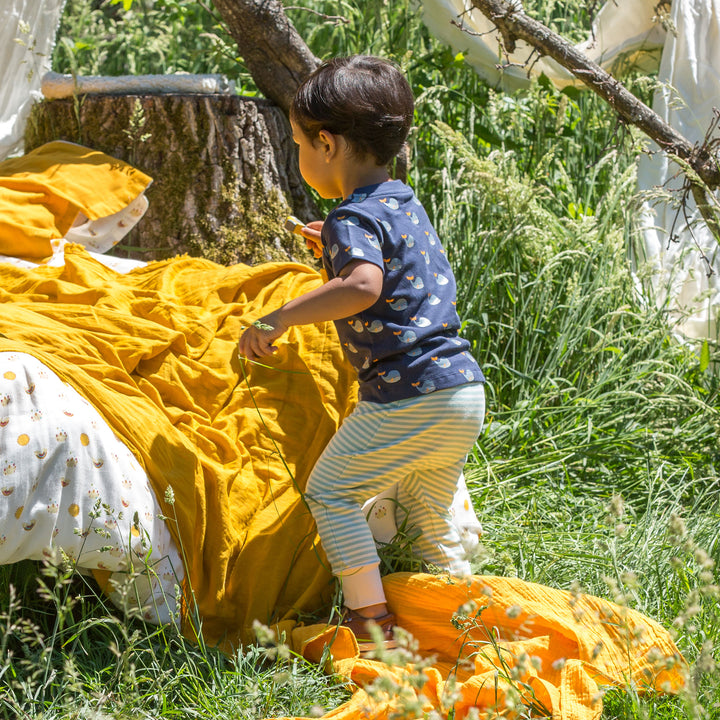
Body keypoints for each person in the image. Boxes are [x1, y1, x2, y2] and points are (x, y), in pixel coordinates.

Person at [237, 55, 485, 649]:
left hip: (406, 395)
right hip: (461, 392)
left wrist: (277, 317)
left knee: (332, 492)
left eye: (299, 144)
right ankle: (465, 622)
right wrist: (338, 243)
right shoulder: (401, 201)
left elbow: (364, 286)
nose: (299, 157)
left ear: (327, 143)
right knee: (430, 513)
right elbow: (391, 264)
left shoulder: (353, 217)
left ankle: (370, 622)